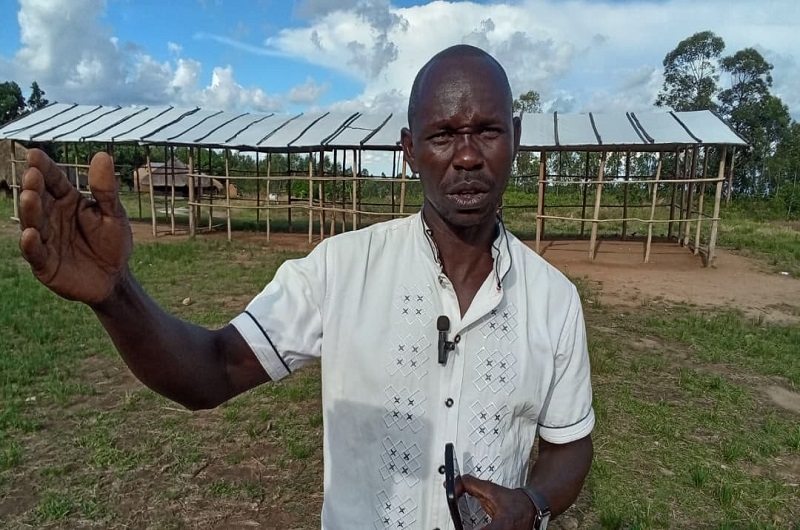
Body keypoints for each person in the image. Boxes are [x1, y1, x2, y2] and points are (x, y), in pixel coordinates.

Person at [18, 44, 593, 529]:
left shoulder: (554, 301)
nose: (467, 154)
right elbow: (213, 370)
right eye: (443, 134)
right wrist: (117, 295)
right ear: (409, 150)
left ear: (515, 137)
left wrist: (535, 503)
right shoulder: (340, 270)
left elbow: (570, 444)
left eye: (487, 131)